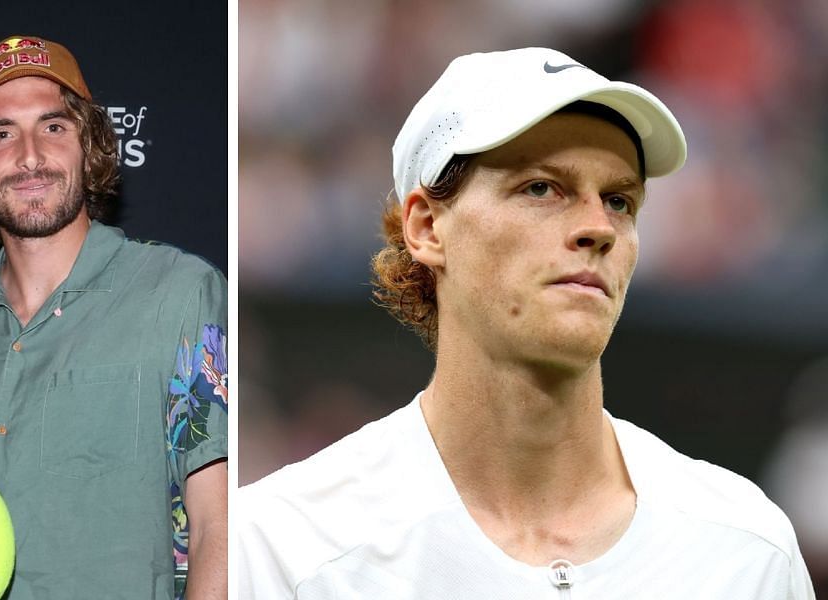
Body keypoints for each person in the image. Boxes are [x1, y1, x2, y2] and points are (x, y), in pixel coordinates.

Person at [237, 47, 815, 599]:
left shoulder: (748, 548)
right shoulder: (286, 549)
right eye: (541, 188)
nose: (599, 228)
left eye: (619, 200)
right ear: (428, 228)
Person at [0, 35, 227, 599]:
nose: (30, 156)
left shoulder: (179, 293)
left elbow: (219, 525)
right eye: (2, 133)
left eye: (53, 127)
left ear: (90, 147)